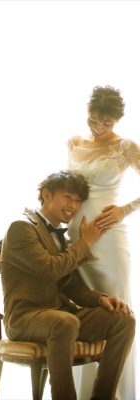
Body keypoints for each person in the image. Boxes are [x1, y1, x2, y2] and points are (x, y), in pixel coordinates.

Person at [1, 170, 135, 400]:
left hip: (61, 316)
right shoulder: (20, 228)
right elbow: (51, 268)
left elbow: (71, 286)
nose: (74, 206)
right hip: (26, 318)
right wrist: (85, 242)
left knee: (123, 319)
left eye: (78, 201)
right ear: (47, 194)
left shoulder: (61, 237)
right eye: (68, 197)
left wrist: (101, 299)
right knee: (65, 322)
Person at [67, 85, 140, 400]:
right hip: (77, 239)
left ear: (117, 120)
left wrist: (125, 209)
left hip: (110, 243)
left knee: (117, 313)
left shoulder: (126, 147)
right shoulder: (74, 143)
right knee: (84, 309)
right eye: (93, 120)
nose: (98, 128)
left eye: (106, 123)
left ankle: (115, 394)